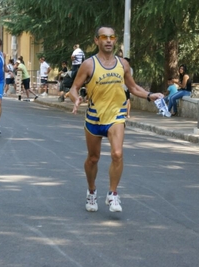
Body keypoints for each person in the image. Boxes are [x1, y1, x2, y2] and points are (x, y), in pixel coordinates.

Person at [69, 25, 163, 213]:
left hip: (116, 115)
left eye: (112, 37)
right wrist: (76, 98)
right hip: (94, 117)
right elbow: (74, 88)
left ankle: (112, 194)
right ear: (97, 40)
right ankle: (92, 190)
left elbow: (134, 87)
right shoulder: (89, 64)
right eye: (104, 37)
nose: (109, 40)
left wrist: (149, 95)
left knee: (117, 154)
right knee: (93, 158)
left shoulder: (123, 64)